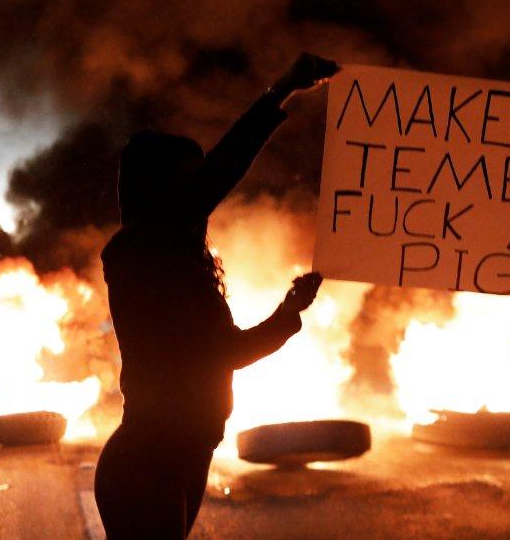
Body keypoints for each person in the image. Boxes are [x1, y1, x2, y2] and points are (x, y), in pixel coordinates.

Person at [94, 53, 339, 540]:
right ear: (158, 189)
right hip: (148, 459)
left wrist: (289, 313)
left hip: (189, 451)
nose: (204, 197)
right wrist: (281, 91)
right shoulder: (136, 251)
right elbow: (224, 171)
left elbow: (230, 352)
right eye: (189, 181)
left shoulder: (185, 265)